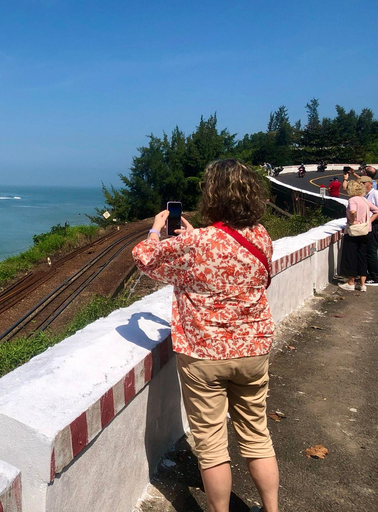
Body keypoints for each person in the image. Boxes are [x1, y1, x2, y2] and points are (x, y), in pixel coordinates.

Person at [133, 159, 278, 512]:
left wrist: (156, 229)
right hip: (254, 349)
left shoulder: (196, 242)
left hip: (203, 355)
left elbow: (144, 258)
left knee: (212, 444)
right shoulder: (261, 235)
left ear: (212, 195)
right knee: (257, 435)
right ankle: (273, 509)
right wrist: (196, 234)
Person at [338, 179, 378, 292]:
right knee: (362, 256)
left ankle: (351, 282)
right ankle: (362, 284)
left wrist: (353, 221)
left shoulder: (352, 200)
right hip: (366, 231)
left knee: (351, 256)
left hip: (354, 231)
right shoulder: (364, 200)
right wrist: (369, 221)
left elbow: (353, 211)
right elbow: (376, 211)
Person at [362, 176, 378, 285]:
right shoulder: (367, 195)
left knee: (371, 251)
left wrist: (370, 222)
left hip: (374, 225)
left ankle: (375, 276)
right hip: (371, 224)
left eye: (364, 183)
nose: (362, 185)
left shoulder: (375, 194)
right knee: (369, 250)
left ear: (370, 184)